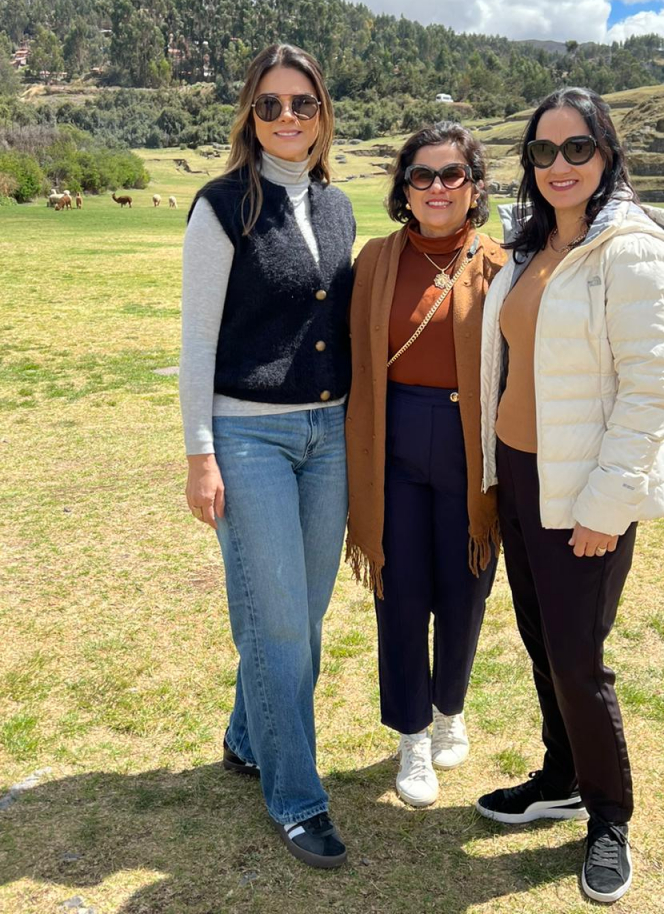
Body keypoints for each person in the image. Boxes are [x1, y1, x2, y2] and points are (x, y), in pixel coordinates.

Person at [476, 87, 664, 903]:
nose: (559, 165)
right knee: (542, 643)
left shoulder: (633, 252)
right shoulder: (531, 248)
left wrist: (607, 507)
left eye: (577, 149)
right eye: (543, 152)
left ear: (606, 153)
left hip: (589, 488)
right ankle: (561, 777)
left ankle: (609, 817)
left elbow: (649, 396)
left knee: (578, 657)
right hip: (525, 474)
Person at [179, 43, 355, 869]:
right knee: (280, 622)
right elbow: (196, 343)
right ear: (250, 116)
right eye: (271, 105)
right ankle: (295, 797)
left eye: (304, 104)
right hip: (247, 438)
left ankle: (249, 733)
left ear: (323, 115)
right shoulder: (221, 207)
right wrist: (199, 454)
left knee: (302, 615)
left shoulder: (339, 207)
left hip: (330, 437)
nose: (289, 118)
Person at [345, 122, 506, 807]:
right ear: (403, 190)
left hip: (474, 443)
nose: (437, 187)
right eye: (422, 175)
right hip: (395, 440)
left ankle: (449, 710)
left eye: (452, 175)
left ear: (474, 189)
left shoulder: (501, 264)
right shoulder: (375, 261)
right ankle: (411, 735)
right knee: (400, 591)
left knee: (465, 587)